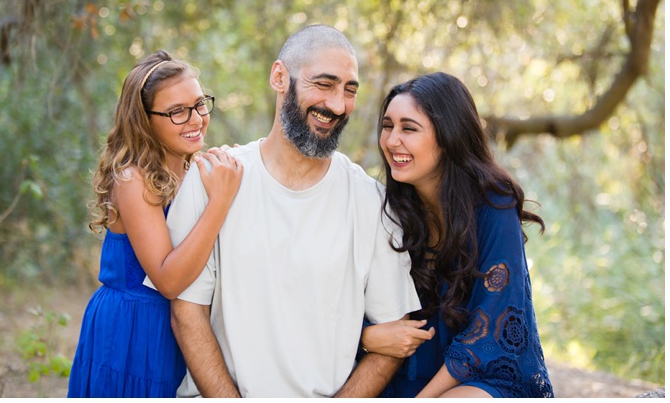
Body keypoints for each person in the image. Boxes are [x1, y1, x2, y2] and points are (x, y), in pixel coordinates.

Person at [163, 24, 421, 397]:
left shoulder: (369, 202)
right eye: (324, 84)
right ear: (280, 77)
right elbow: (187, 314)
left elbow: (394, 338)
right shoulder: (212, 179)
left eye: (349, 90)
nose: (337, 105)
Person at [359, 72, 554, 398]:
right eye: (388, 126)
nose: (392, 140)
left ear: (448, 138)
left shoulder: (494, 204)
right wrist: (366, 337)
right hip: (405, 377)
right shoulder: (389, 209)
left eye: (409, 128)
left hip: (488, 379)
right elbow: (352, 304)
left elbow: (489, 333)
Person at [68, 50, 243, 397]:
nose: (195, 119)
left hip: (179, 330)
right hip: (130, 334)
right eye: (177, 111)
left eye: (199, 104)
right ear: (145, 120)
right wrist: (220, 201)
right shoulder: (134, 178)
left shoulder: (194, 169)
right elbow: (167, 279)